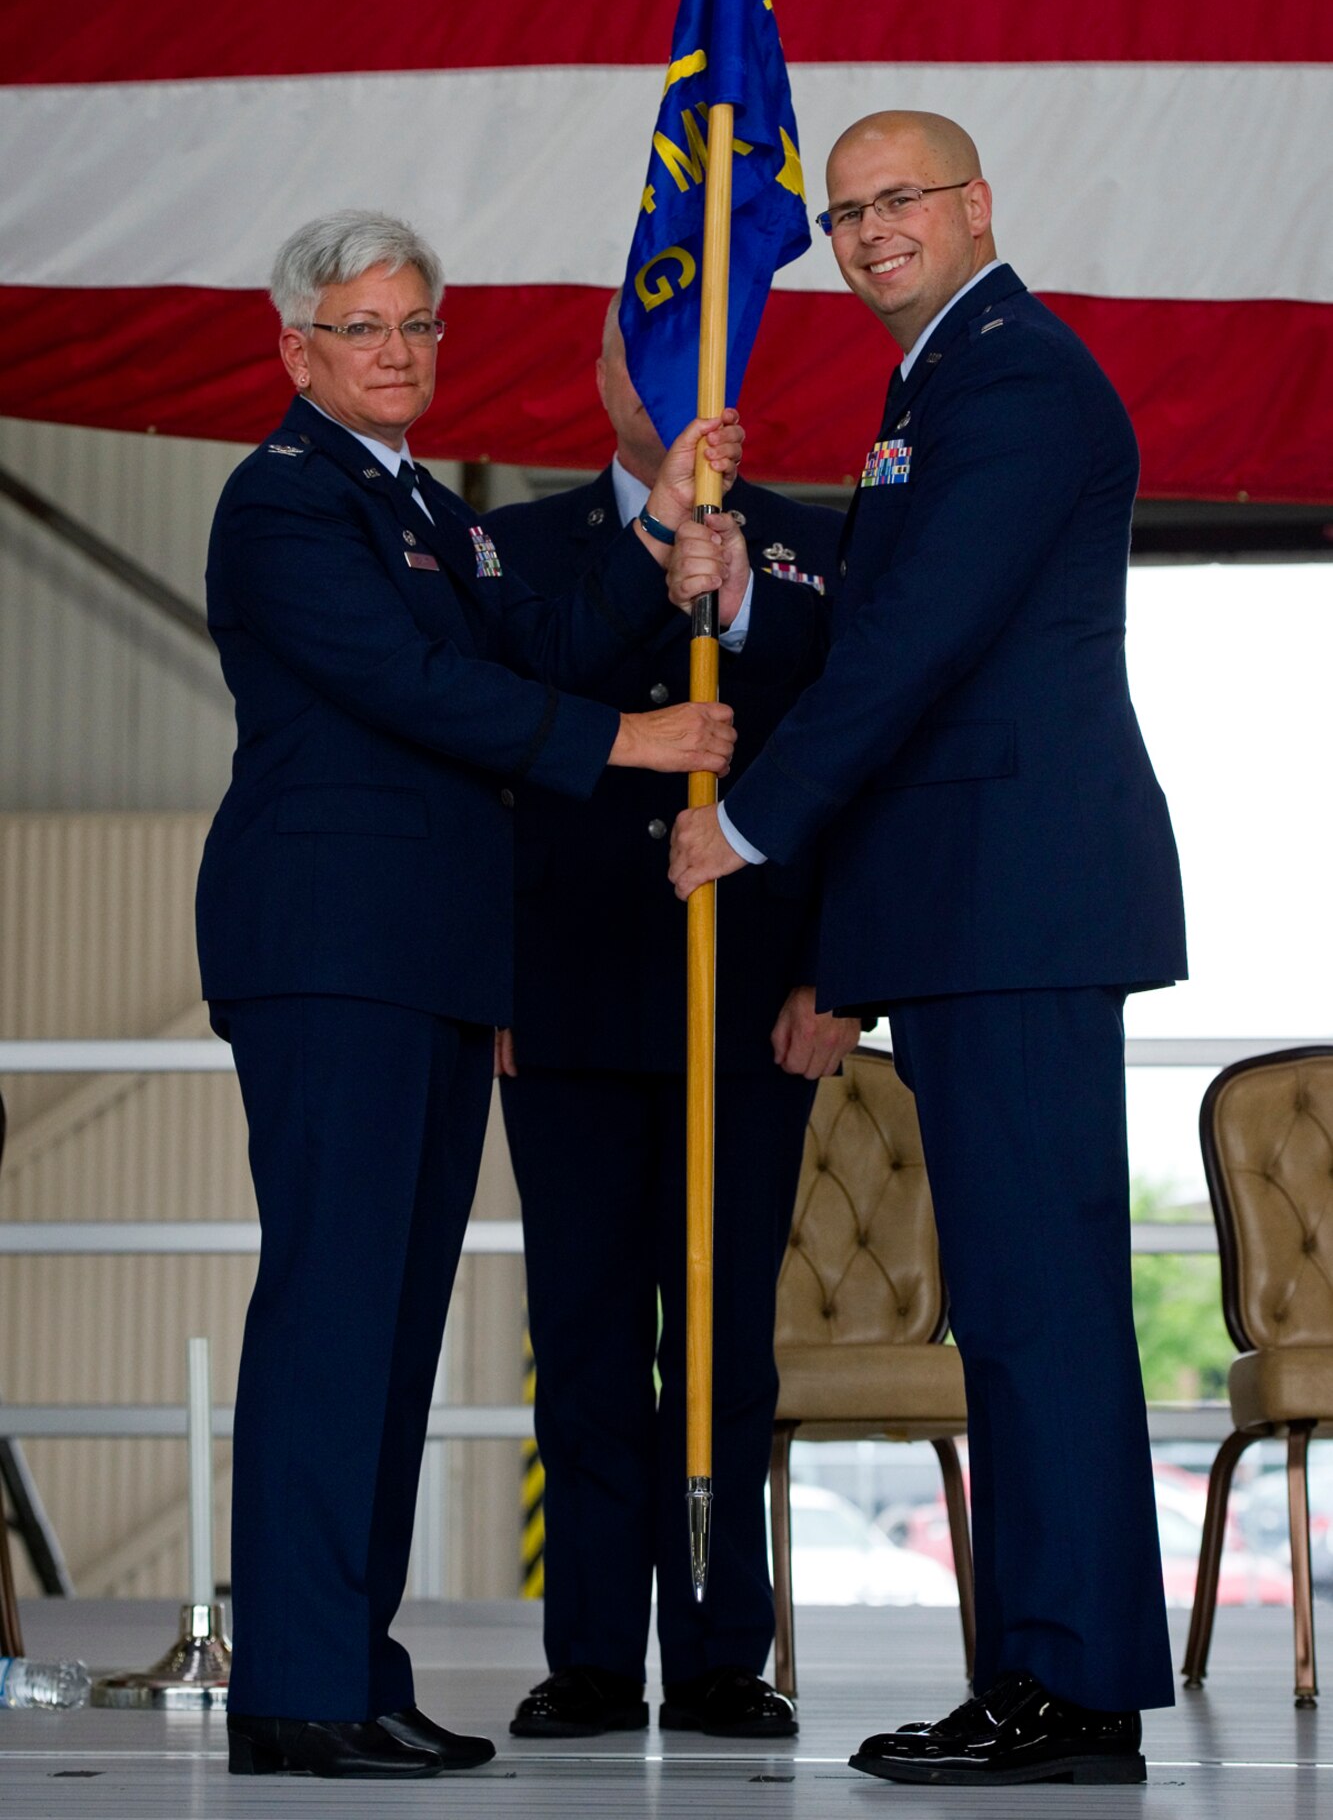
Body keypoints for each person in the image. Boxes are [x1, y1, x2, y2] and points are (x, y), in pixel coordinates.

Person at [669, 113, 1187, 1788]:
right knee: (1019, 1310)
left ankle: (1070, 1684)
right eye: (845, 212)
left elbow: (919, 651)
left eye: (902, 200)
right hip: (978, 901)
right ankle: (1045, 1669)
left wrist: (750, 823)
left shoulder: (1015, 377)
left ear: (975, 207)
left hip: (1015, 896)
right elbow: (881, 623)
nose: (870, 230)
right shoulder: (940, 385)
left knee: (1037, 1310)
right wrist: (750, 601)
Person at [195, 211, 741, 1781]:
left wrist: (656, 537)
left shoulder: (424, 509)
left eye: (416, 327)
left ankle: (347, 1669)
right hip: (331, 951)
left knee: (388, 1327)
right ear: (296, 350)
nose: (397, 354)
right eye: (363, 329)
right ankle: (296, 1686)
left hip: (423, 960)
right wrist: (623, 747)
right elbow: (414, 684)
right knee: (334, 1317)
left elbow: (542, 637)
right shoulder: (285, 503)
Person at [487, 299, 857, 1743]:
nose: (655, 386)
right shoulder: (512, 551)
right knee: (579, 1339)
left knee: (721, 1346)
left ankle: (714, 1655)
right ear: (596, 380)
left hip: (753, 1002)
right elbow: (494, 746)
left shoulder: (814, 546)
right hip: (565, 997)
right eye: (631, 360)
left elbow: (856, 758)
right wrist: (491, 983)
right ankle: (588, 1654)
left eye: (687, 364)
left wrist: (837, 974)